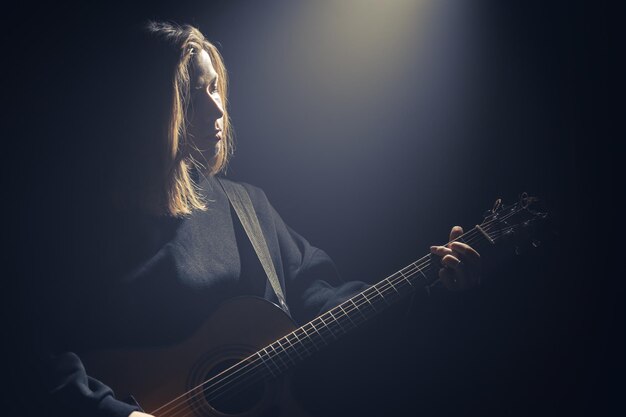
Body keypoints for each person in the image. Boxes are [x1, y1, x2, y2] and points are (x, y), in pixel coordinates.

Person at [15, 21, 481, 417]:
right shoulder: (82, 227)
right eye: (196, 96)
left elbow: (319, 298)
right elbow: (29, 349)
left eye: (216, 86)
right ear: (150, 111)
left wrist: (430, 282)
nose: (218, 109)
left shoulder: (245, 206)